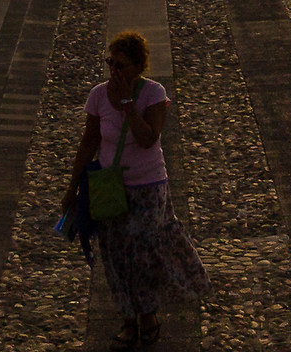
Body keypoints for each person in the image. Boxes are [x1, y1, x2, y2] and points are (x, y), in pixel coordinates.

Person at [71, 30, 207, 349]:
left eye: (120, 65)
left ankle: (148, 316)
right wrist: (72, 186)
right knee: (116, 257)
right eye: (110, 64)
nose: (113, 71)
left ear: (137, 67)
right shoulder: (97, 95)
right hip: (111, 187)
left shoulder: (154, 94)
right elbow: (89, 141)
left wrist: (128, 106)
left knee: (141, 255)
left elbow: (148, 138)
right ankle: (128, 319)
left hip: (149, 187)